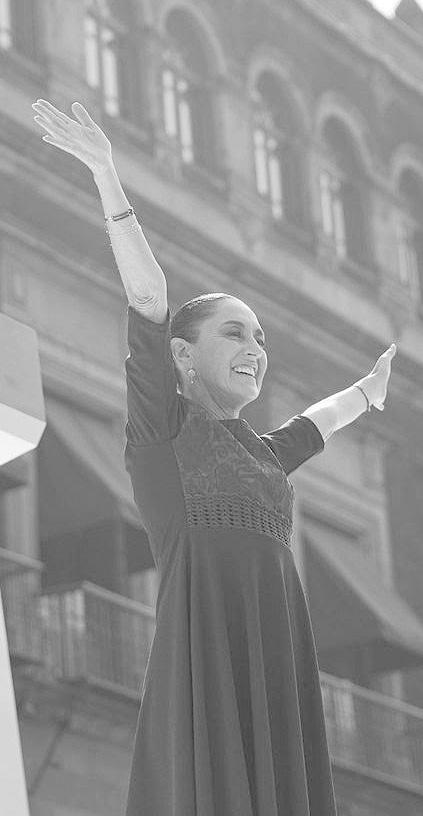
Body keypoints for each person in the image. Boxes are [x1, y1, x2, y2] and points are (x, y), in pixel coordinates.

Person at [32, 99, 396, 816]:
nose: (254, 349)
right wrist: (106, 173)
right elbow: (148, 298)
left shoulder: (264, 455)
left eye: (260, 338)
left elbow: (315, 424)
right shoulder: (162, 433)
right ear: (181, 355)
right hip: (206, 660)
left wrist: (366, 392)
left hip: (274, 661)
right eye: (234, 334)